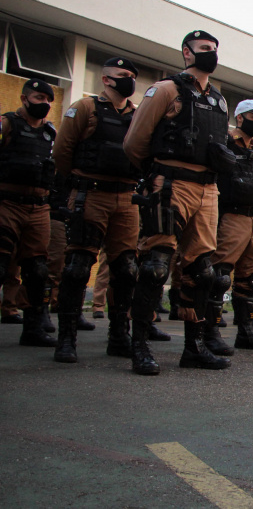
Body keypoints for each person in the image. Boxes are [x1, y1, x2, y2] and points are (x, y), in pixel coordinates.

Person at [123, 30, 235, 374]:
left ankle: (195, 348)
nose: (211, 54)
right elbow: (134, 142)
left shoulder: (219, 99)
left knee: (202, 272)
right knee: (155, 266)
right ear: (187, 53)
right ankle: (139, 347)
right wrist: (157, 173)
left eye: (214, 50)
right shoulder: (166, 90)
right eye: (204, 49)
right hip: (170, 185)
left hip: (208, 190)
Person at [51, 57, 148, 363]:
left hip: (126, 199)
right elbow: (62, 152)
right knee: (78, 266)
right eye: (122, 75)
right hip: (90, 194)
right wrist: (79, 182)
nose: (128, 80)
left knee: (127, 270)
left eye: (132, 75)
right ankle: (66, 338)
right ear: (106, 79)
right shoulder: (85, 108)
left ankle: (119, 335)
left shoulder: (137, 115)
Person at [204, 99, 253, 353]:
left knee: (251, 277)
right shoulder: (224, 143)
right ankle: (209, 332)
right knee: (220, 276)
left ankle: (245, 331)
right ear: (240, 118)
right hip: (231, 216)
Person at [0, 79, 59, 347]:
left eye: (48, 100)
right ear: (24, 99)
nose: (44, 104)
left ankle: (33, 327)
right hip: (7, 202)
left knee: (37, 269)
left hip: (38, 206)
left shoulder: (50, 132)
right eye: (38, 98)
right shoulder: (7, 124)